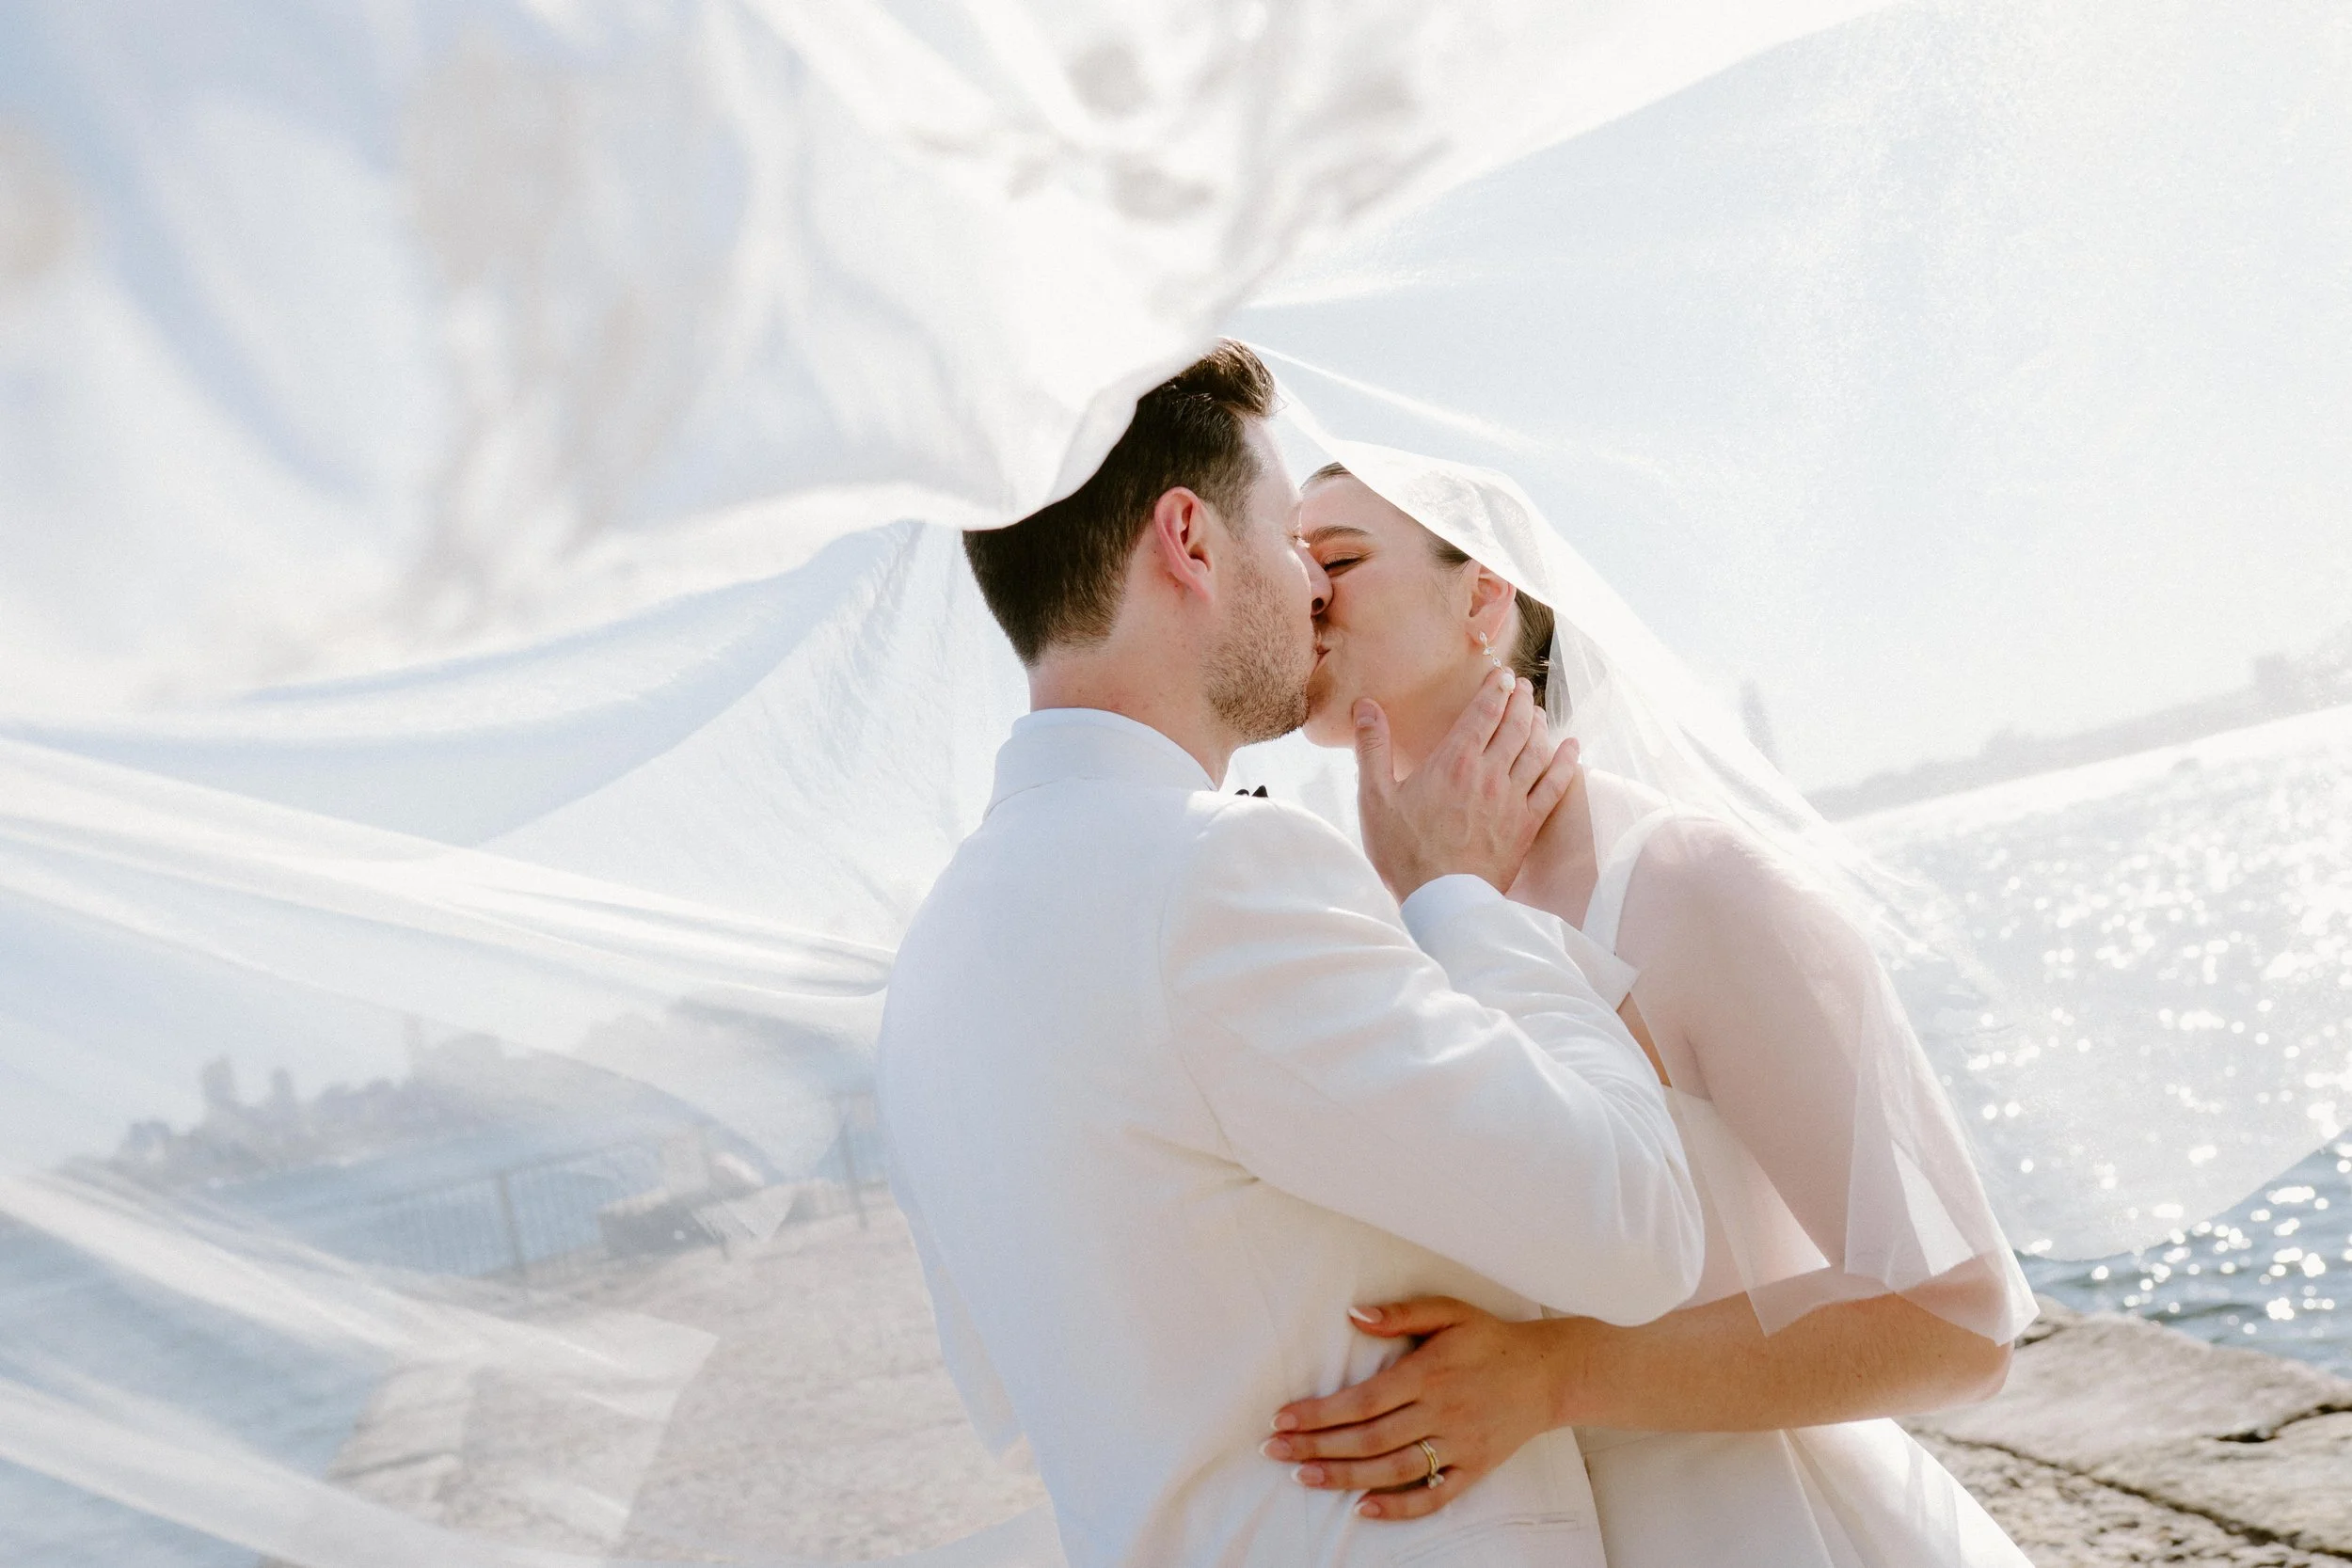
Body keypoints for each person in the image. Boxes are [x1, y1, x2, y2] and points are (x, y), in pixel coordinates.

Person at [877, 342, 1704, 1568]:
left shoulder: (929, 963)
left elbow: (1012, 1406)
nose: (1312, 580)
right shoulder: (1218, 874)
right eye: (1286, 535)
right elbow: (1642, 1225)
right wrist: (1458, 896)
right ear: (1191, 540)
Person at [1261, 457, 2039, 1566]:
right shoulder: (1373, 919)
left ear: (1484, 597)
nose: (1306, 592)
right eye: (1291, 561)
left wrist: (1554, 1375)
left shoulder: (1689, 883)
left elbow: (1955, 1316)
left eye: (1337, 556)